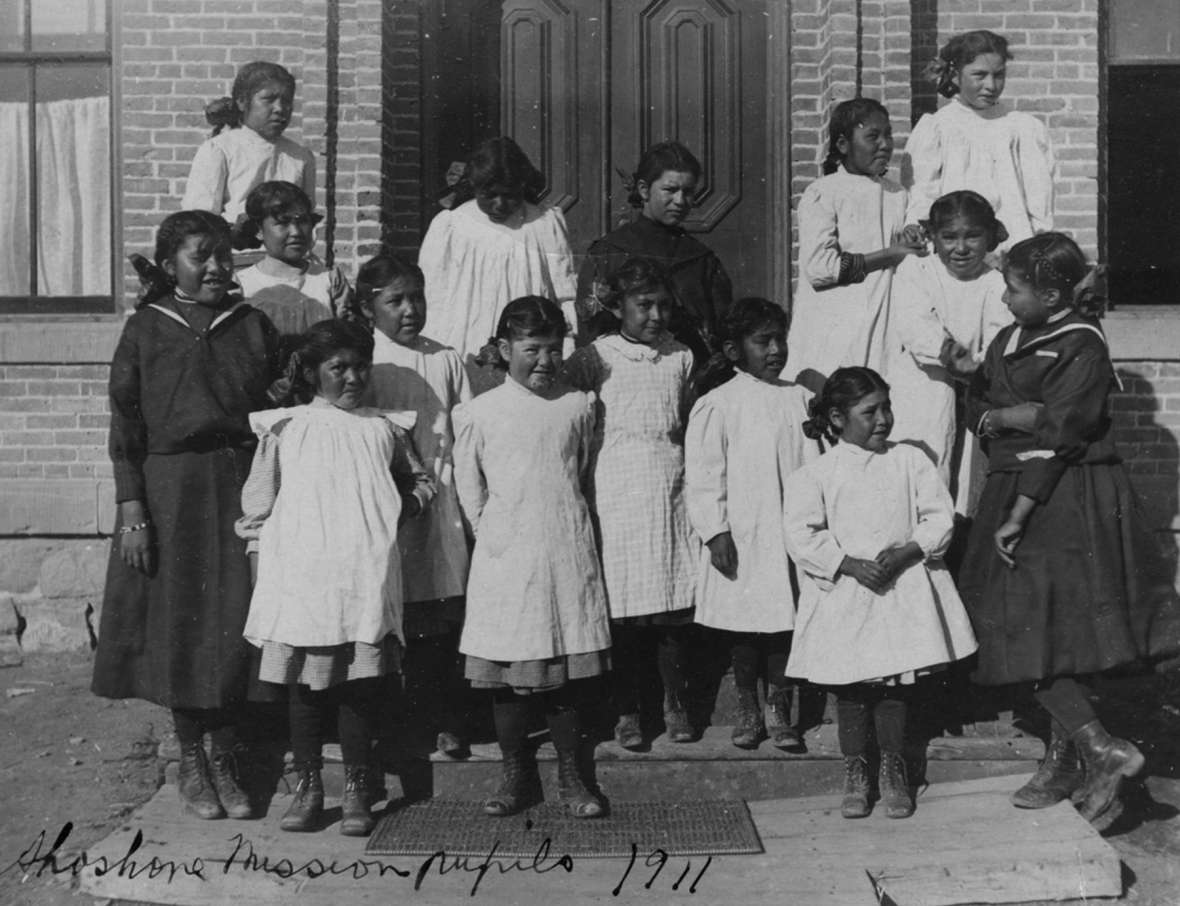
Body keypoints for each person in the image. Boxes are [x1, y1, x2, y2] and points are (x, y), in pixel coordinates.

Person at [959, 232, 1180, 827]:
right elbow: (979, 404)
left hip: (1061, 500)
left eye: (1014, 289)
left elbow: (1061, 433)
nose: (1004, 299)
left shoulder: (1082, 345)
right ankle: (1092, 751)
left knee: (1048, 627)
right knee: (1017, 623)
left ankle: (1083, 755)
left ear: (1053, 293)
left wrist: (1019, 508)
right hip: (1015, 487)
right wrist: (1004, 415)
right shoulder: (1010, 338)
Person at [93, 210, 282, 821]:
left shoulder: (252, 326)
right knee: (180, 622)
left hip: (239, 484)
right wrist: (132, 510)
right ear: (170, 263)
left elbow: (282, 401)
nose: (215, 267)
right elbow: (126, 422)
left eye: (223, 255)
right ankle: (191, 758)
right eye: (200, 256)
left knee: (235, 617)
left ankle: (227, 755)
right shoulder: (146, 329)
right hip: (170, 490)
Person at [236, 319, 434, 836]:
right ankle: (306, 787)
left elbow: (419, 480)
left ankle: (357, 789)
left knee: (357, 689)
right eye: (337, 368)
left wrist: (402, 506)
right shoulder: (287, 428)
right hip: (302, 580)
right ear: (311, 372)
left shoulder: (382, 428)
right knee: (305, 689)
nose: (351, 378)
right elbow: (258, 507)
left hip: (363, 581)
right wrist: (263, 565)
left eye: (359, 367)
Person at [783, 367, 978, 820]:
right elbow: (802, 533)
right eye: (869, 411)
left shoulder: (909, 461)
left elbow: (939, 516)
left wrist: (909, 550)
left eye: (887, 407)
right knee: (852, 686)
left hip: (901, 590)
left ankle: (893, 768)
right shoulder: (816, 473)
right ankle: (856, 769)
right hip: (846, 594)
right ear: (836, 419)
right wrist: (847, 564)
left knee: (894, 682)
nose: (883, 419)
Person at [453, 297, 611, 819]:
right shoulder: (481, 412)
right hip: (507, 559)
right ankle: (515, 773)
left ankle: (572, 775)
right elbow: (470, 489)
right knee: (510, 679)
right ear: (503, 350)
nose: (544, 360)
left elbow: (583, 476)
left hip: (566, 551)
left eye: (553, 348)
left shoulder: (576, 406)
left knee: (565, 676)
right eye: (530, 350)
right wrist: (498, 537)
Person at [564, 258, 697, 749]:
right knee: (624, 613)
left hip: (667, 489)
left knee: (669, 610)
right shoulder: (596, 357)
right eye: (644, 306)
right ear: (617, 307)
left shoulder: (680, 356)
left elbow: (682, 419)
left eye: (663, 305)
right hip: (617, 490)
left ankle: (675, 702)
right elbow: (571, 418)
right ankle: (628, 709)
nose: (656, 316)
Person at [685, 298, 819, 750]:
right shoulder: (718, 404)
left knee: (785, 620)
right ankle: (747, 706)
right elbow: (704, 475)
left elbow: (816, 463)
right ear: (734, 349)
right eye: (763, 341)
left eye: (780, 339)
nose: (776, 349)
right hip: (744, 532)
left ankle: (779, 708)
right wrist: (715, 531)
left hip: (788, 531)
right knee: (745, 625)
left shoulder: (799, 399)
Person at [357, 254, 474, 757]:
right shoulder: (370, 360)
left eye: (416, 298)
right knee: (389, 610)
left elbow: (465, 431)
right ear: (368, 308)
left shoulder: (445, 358)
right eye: (395, 301)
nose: (409, 309)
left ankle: (443, 716)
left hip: (439, 496)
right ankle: (394, 720)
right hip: (389, 499)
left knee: (440, 611)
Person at [787, 99, 926, 395]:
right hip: (834, 324)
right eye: (873, 137)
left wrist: (912, 233)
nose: (885, 145)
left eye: (888, 135)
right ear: (843, 144)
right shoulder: (823, 192)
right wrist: (892, 254)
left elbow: (911, 242)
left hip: (882, 323)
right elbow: (820, 269)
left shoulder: (897, 194)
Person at [418, 137, 577, 391]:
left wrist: (566, 342)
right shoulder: (452, 226)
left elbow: (564, 289)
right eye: (489, 196)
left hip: (531, 344)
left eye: (509, 196)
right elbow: (433, 295)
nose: (500, 204)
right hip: (466, 340)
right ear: (473, 186)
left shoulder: (544, 224)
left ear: (522, 186)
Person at [886, 190, 1011, 511]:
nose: (961, 248)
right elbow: (916, 325)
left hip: (975, 386)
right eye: (949, 237)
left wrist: (979, 366)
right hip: (922, 387)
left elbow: (1001, 336)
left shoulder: (995, 283)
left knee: (968, 486)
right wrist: (949, 354)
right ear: (933, 238)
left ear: (989, 238)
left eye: (972, 237)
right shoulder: (917, 271)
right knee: (924, 473)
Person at [576, 141, 732, 366]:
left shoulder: (701, 260)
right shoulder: (609, 252)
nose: (680, 201)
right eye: (670, 190)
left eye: (687, 192)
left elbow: (720, 329)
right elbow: (590, 330)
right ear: (644, 190)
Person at [906, 30, 1056, 251]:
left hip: (1013, 246)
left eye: (998, 75)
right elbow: (922, 192)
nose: (991, 85)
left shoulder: (1022, 128)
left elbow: (1039, 196)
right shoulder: (938, 127)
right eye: (980, 75)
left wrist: (1037, 244)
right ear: (956, 75)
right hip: (958, 249)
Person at [182, 61, 316, 246]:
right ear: (243, 102)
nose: (279, 108)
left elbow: (307, 219)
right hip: (236, 258)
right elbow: (199, 219)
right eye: (269, 99)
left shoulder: (301, 157)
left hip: (287, 261)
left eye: (286, 101)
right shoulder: (220, 149)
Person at [234, 181, 354, 337]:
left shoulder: (329, 281)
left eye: (302, 221)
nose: (296, 232)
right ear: (259, 231)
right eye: (282, 223)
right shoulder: (243, 284)